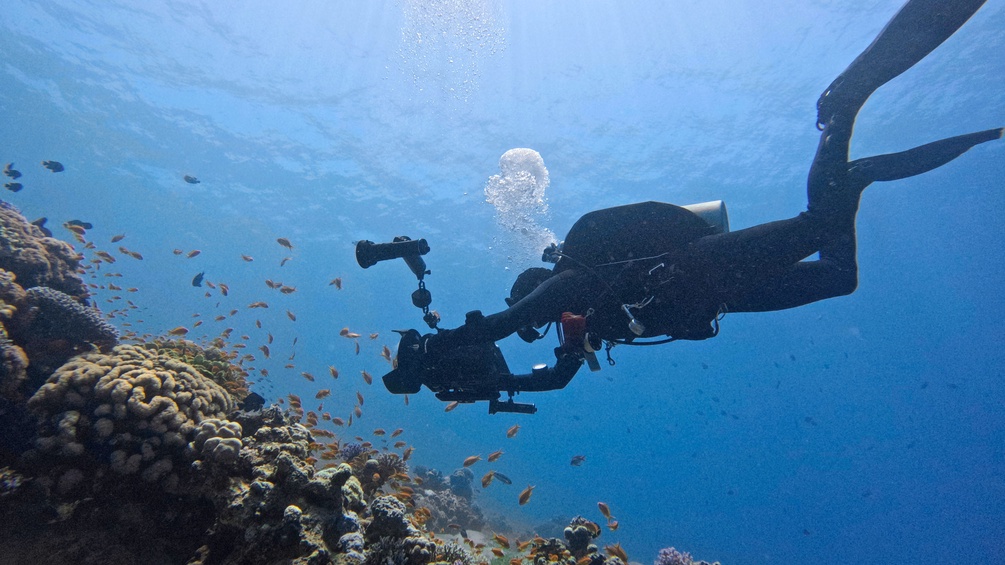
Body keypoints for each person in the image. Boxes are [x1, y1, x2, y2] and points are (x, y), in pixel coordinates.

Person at [383, 0, 1002, 411]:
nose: (552, 323)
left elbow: (525, 312)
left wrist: (459, 342)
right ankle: (856, 177)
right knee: (841, 279)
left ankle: (846, 106)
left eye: (540, 312)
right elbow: (555, 379)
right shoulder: (585, 321)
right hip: (722, 297)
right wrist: (499, 383)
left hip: (701, 266)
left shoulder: (573, 280)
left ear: (538, 289)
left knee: (817, 225)